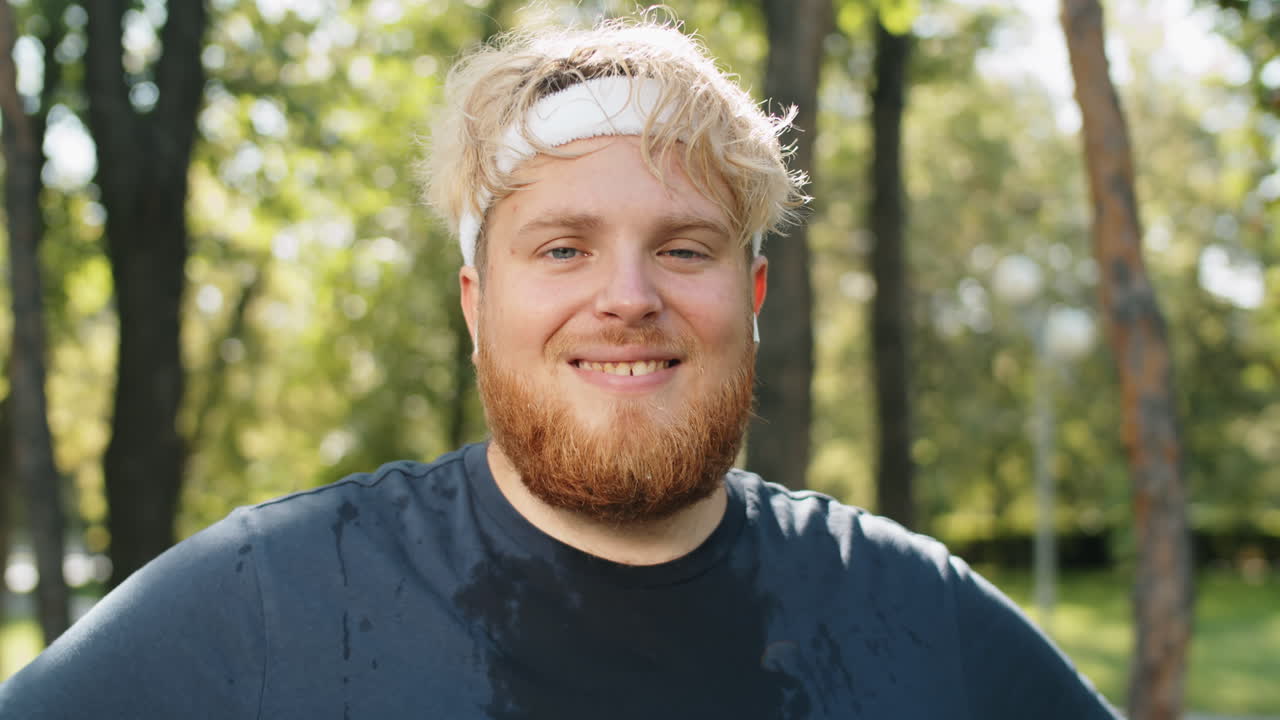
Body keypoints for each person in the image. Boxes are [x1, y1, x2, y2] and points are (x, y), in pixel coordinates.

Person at [0, 17, 1119, 720]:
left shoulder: (915, 615)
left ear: (752, 297)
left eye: (684, 249)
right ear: (476, 304)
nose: (627, 297)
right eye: (563, 249)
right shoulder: (267, 603)